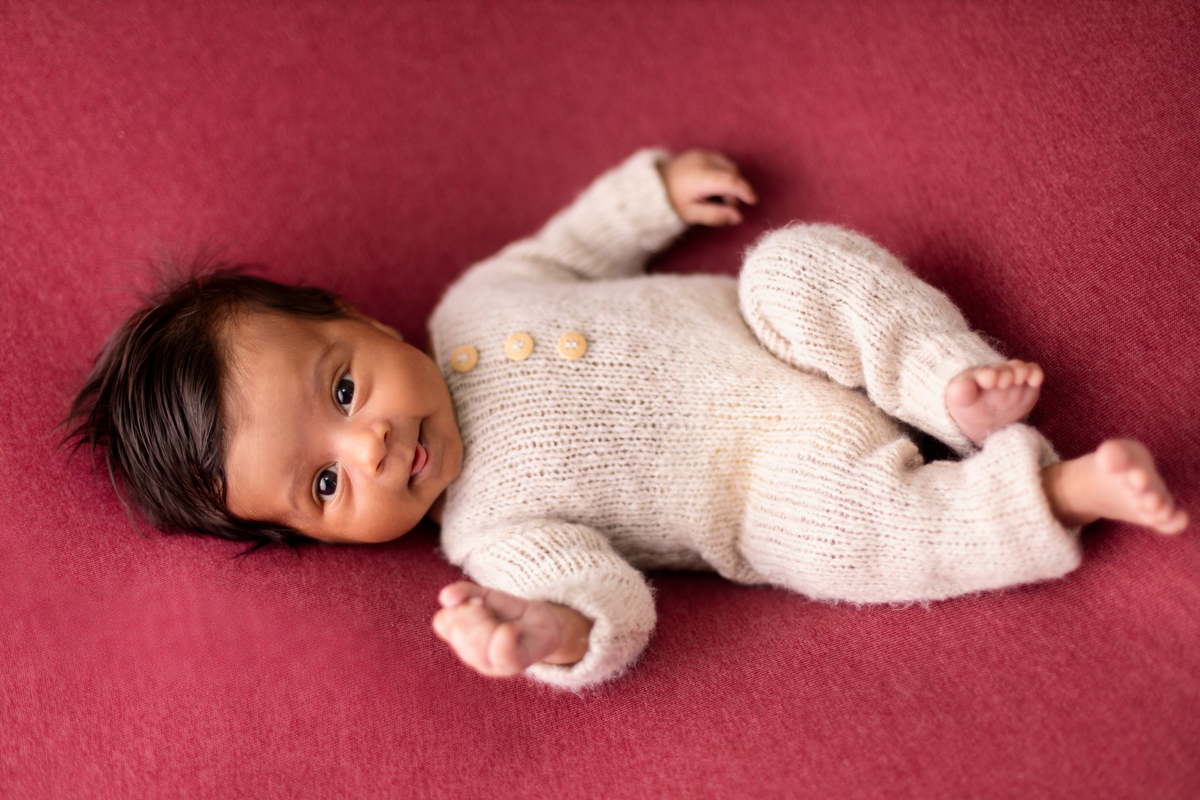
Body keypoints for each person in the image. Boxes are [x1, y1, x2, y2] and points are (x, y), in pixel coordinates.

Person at [65, 149, 1188, 690]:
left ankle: (951, 383)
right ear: (318, 539)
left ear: (359, 320)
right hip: (769, 483)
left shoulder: (474, 300)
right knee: (846, 540)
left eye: (345, 390)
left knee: (796, 265)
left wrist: (649, 194)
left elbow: (573, 247)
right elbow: (610, 601)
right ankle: (1048, 491)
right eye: (323, 487)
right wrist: (545, 632)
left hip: (767, 334)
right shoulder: (485, 532)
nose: (368, 447)